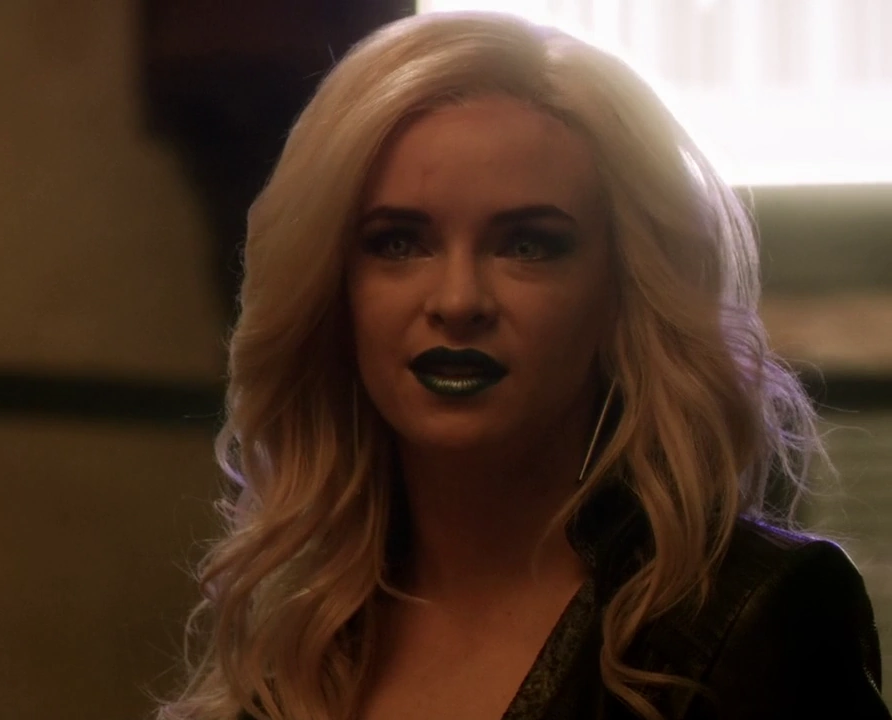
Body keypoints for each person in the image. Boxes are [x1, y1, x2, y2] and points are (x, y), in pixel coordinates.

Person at [156, 11, 888, 720]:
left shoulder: (749, 619)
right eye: (399, 243)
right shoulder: (292, 631)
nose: (458, 301)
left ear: (620, 295)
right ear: (334, 290)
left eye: (528, 246)